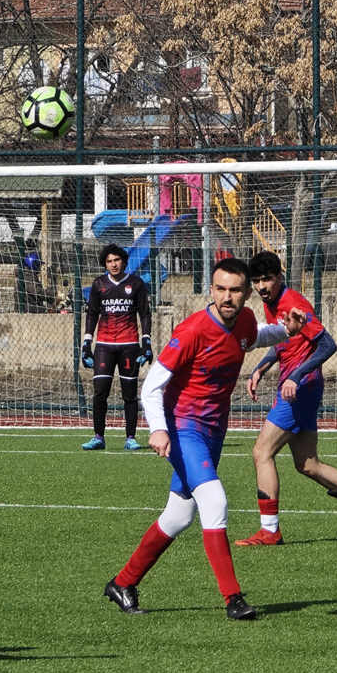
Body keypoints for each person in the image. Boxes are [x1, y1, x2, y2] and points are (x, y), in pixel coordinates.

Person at [104, 258, 305, 620]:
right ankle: (233, 599)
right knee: (214, 501)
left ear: (246, 294)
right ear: (211, 289)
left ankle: (123, 582)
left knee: (178, 516)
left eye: (235, 290)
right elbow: (152, 385)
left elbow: (254, 336)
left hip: (214, 429)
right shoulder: (192, 330)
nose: (227, 297)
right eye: (220, 289)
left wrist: (285, 330)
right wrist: (158, 428)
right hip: (184, 426)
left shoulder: (243, 320)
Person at [236, 252, 337, 546]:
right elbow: (283, 341)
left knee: (261, 453)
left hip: (300, 389)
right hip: (298, 386)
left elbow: (327, 344)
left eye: (267, 279)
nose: (262, 286)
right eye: (256, 281)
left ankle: (270, 530)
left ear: (280, 277)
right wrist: (260, 369)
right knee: (307, 464)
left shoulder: (294, 303)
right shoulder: (271, 304)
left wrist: (296, 375)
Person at [81, 244, 153, 451]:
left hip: (129, 345)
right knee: (99, 392)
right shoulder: (98, 284)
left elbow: (145, 314)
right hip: (104, 345)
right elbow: (92, 314)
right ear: (105, 264)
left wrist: (146, 342)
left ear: (124, 261)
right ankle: (98, 437)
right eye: (109, 261)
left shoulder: (136, 284)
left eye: (117, 260)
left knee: (129, 394)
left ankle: (130, 437)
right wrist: (87, 344)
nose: (113, 264)